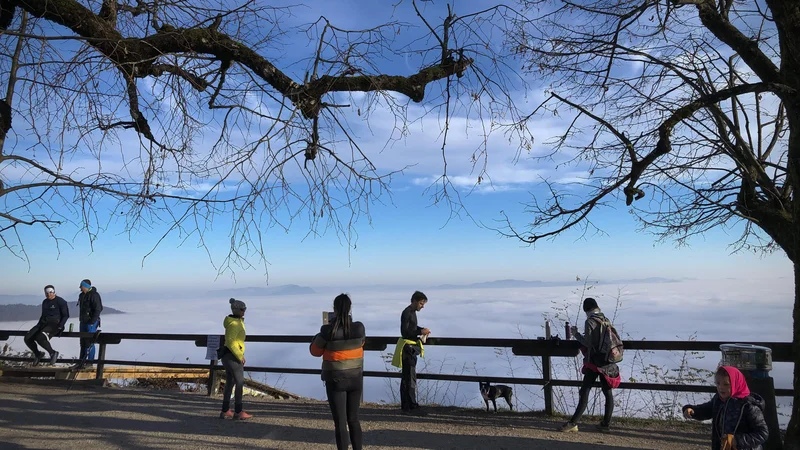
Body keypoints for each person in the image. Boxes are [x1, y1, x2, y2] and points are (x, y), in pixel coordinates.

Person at [310, 293, 366, 450]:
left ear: (334, 309)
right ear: (349, 309)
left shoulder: (327, 331)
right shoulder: (359, 328)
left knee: (340, 422)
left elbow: (315, 351)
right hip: (356, 378)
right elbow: (362, 343)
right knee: (353, 419)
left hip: (336, 380)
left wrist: (318, 336)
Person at [560, 297, 620, 433]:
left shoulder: (590, 322)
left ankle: (572, 423)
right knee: (607, 392)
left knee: (585, 391)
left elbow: (588, 343)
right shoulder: (605, 319)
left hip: (594, 362)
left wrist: (575, 334)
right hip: (607, 361)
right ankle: (605, 424)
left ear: (586, 310)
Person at [683, 366, 768, 450]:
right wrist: (693, 411)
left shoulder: (748, 406)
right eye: (718, 383)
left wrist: (737, 440)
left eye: (726, 384)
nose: (721, 387)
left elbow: (762, 433)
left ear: (736, 383)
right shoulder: (719, 400)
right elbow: (707, 409)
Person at [391, 290, 431, 415]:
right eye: (421, 303)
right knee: (409, 377)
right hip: (408, 349)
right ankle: (410, 406)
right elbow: (405, 332)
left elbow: (412, 328)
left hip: (409, 348)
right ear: (414, 301)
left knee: (408, 377)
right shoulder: (407, 312)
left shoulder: (411, 312)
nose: (422, 306)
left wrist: (422, 330)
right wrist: (420, 332)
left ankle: (407, 405)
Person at [219, 298, 251, 420]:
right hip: (233, 357)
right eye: (242, 309)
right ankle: (238, 411)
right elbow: (232, 342)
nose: (244, 311)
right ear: (237, 310)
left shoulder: (233, 322)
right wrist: (240, 356)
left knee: (230, 383)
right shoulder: (234, 324)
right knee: (239, 383)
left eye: (245, 309)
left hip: (227, 357)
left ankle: (225, 410)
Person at [24, 285, 69, 366]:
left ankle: (53, 353)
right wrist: (38, 325)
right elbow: (43, 315)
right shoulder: (45, 302)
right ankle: (38, 354)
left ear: (54, 292)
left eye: (50, 292)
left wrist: (60, 326)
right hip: (43, 323)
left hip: (55, 324)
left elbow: (66, 315)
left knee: (40, 337)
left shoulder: (60, 301)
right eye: (47, 293)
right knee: (27, 338)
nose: (49, 294)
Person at [77, 279, 103, 365]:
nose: (80, 288)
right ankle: (81, 362)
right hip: (83, 321)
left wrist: (92, 321)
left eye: (81, 286)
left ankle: (89, 362)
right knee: (83, 342)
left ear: (86, 286)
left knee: (90, 342)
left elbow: (98, 309)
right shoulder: (81, 295)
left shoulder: (94, 295)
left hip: (90, 322)